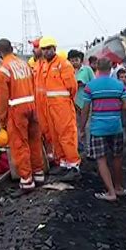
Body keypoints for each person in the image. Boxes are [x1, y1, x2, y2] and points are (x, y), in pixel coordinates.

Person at [0, 38, 44, 192]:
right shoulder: (24, 64)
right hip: (32, 106)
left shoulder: (3, 68)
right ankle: (39, 173)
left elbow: (2, 98)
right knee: (34, 140)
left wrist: (1, 119)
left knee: (20, 144)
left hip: (16, 109)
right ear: (12, 48)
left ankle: (27, 179)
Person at [81, 59, 126, 201]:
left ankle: (110, 193)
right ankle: (119, 187)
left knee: (101, 159)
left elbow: (85, 110)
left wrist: (82, 128)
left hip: (98, 128)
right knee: (117, 157)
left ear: (96, 68)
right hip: (116, 126)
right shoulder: (119, 85)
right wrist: (115, 109)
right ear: (110, 69)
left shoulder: (90, 86)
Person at [42, 38, 81, 181]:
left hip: (62, 105)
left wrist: (65, 101)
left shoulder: (63, 64)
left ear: (54, 48)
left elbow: (72, 86)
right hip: (51, 106)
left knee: (66, 134)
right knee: (56, 135)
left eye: (48, 48)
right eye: (44, 49)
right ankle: (63, 163)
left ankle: (74, 166)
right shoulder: (46, 65)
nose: (46, 51)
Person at [68, 49, 95, 158]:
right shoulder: (68, 71)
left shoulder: (87, 70)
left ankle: (89, 151)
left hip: (86, 102)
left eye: (76, 60)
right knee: (77, 127)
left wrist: (83, 85)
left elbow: (93, 83)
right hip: (74, 104)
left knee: (88, 127)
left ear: (81, 60)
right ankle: (80, 149)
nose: (74, 62)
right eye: (72, 60)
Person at [31, 39, 53, 162]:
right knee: (42, 131)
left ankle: (52, 155)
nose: (33, 50)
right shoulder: (36, 65)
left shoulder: (48, 65)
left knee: (50, 131)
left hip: (48, 104)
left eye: (35, 47)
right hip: (38, 103)